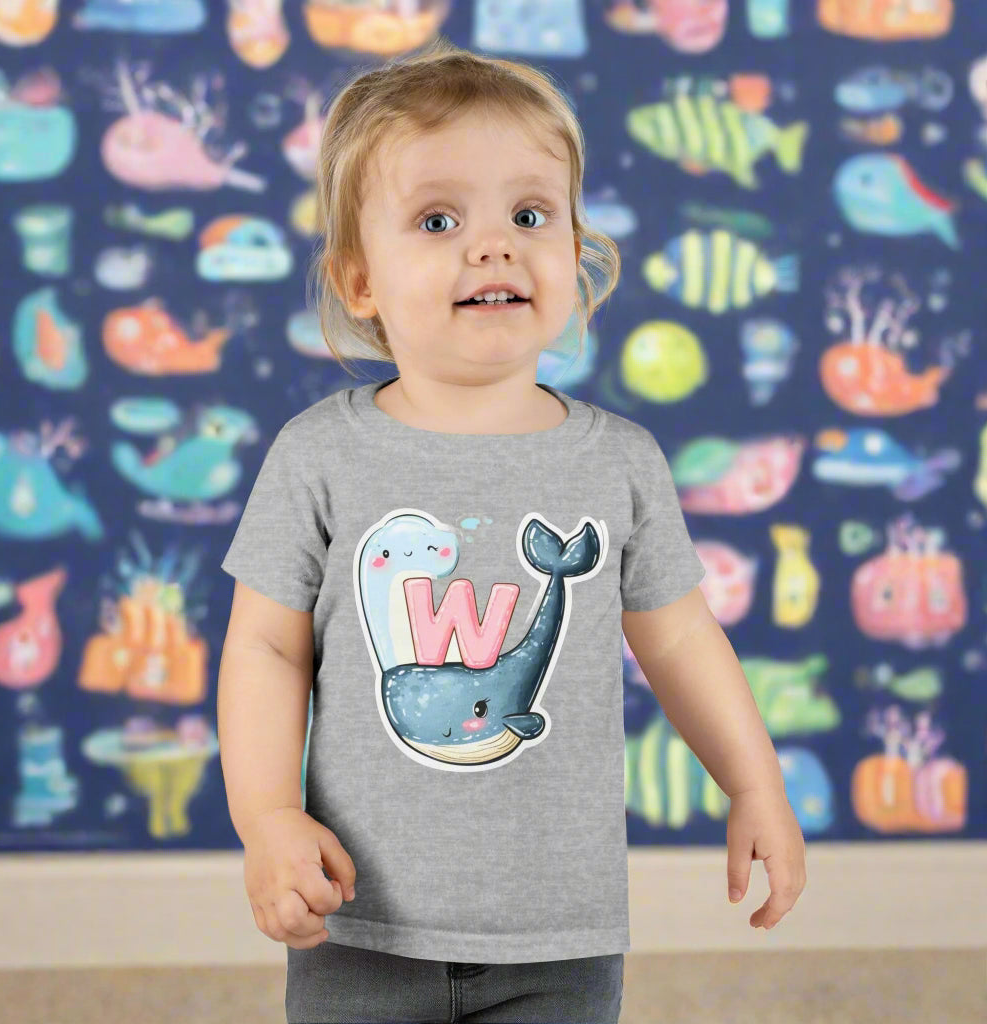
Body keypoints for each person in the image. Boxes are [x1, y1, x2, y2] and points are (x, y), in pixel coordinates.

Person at [217, 36, 806, 1024]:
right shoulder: (318, 455)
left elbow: (679, 639)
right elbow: (267, 648)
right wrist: (267, 817)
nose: (493, 245)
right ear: (360, 281)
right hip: (361, 921)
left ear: (574, 255)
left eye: (529, 215)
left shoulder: (620, 463)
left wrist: (756, 783)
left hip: (559, 935)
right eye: (438, 219)